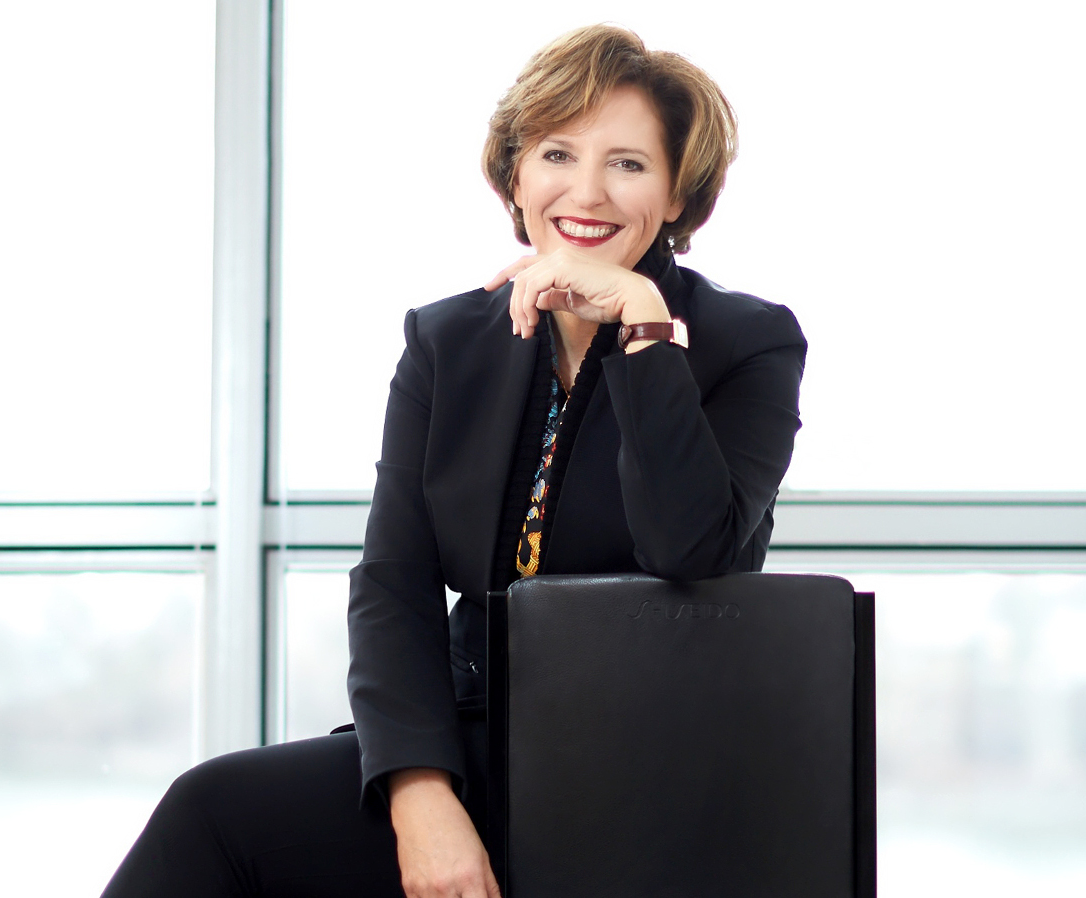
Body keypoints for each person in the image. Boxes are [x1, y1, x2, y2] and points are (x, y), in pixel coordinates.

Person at [101, 23, 804, 898]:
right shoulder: (449, 339)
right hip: (469, 738)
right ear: (516, 177)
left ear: (676, 195)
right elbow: (393, 580)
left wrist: (645, 330)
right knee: (213, 811)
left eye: (627, 163)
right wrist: (420, 793)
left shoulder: (748, 341)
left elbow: (690, 551)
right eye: (557, 154)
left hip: (656, 758)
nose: (587, 191)